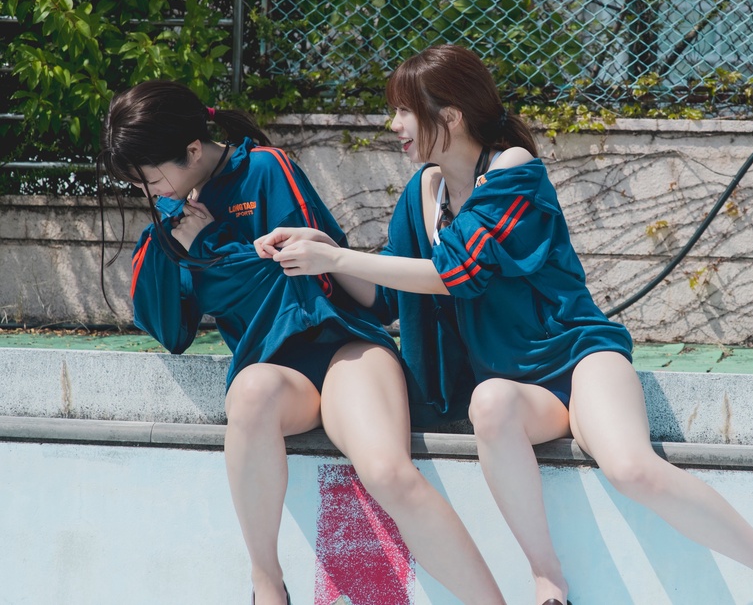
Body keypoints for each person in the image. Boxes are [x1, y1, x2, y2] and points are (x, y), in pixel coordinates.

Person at [255, 45, 753, 605]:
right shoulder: (423, 193)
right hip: (515, 384)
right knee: (489, 404)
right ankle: (547, 578)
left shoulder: (513, 169)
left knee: (630, 468)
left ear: (450, 116)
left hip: (578, 356)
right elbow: (387, 293)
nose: (394, 125)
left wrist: (338, 259)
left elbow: (457, 272)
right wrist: (320, 249)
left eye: (404, 111)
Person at [97, 80, 505, 605]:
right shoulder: (175, 215)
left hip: (343, 347)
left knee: (387, 472)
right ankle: (267, 584)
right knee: (249, 395)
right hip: (275, 369)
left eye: (152, 180)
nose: (151, 194)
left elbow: (300, 270)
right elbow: (170, 329)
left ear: (193, 150)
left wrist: (208, 248)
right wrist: (168, 240)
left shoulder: (265, 168)